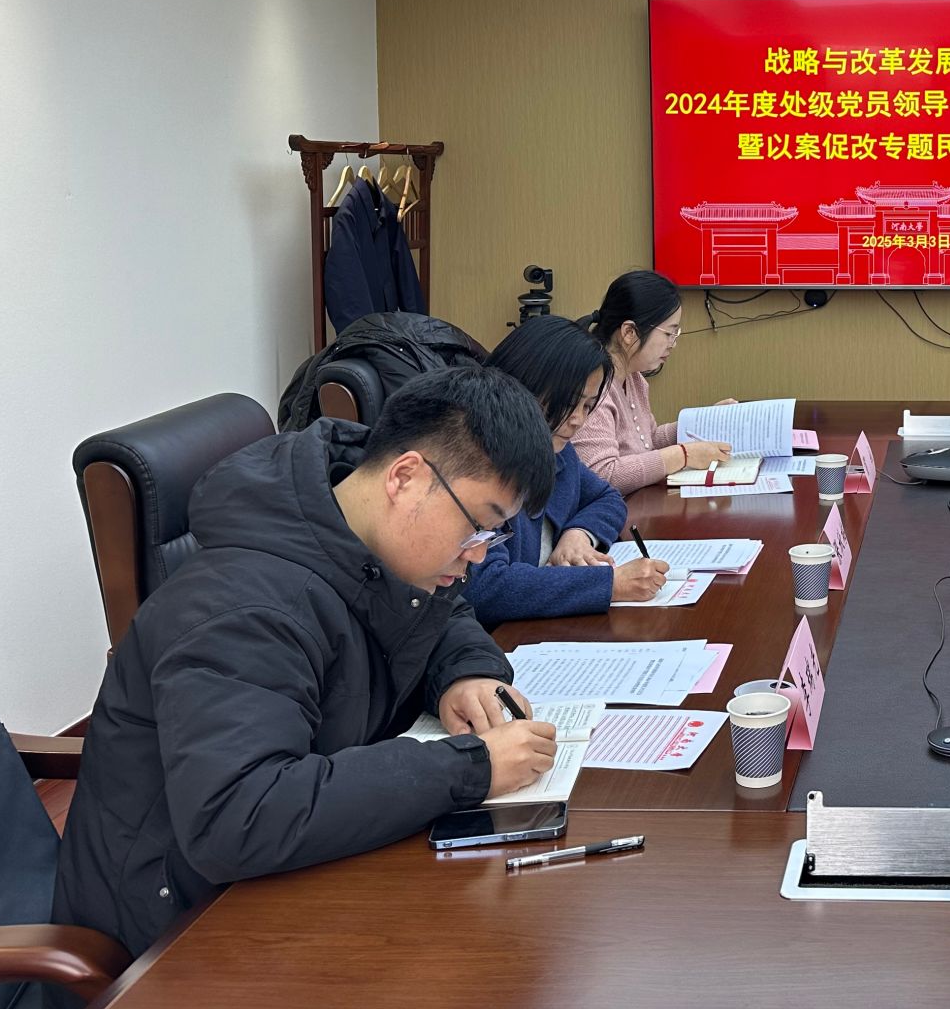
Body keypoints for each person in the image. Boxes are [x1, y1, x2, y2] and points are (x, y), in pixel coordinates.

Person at [55, 368, 563, 958]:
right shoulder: (244, 608)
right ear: (405, 477)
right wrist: (469, 768)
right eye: (478, 527)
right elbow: (239, 817)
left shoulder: (355, 531)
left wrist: (467, 672)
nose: (476, 557)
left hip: (284, 877)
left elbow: (440, 612)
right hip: (176, 931)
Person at [466, 314, 671, 624]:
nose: (578, 420)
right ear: (525, 385)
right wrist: (609, 585)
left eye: (587, 406)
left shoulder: (557, 451)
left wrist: (579, 535)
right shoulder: (474, 464)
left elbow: (607, 498)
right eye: (568, 402)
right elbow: (486, 587)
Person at [572, 268, 731, 494]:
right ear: (629, 332)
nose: (673, 343)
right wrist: (684, 455)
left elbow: (648, 441)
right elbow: (604, 473)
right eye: (668, 333)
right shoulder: (593, 386)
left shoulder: (634, 378)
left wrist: (703, 422)